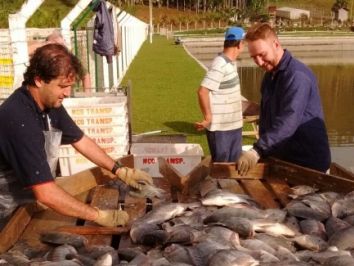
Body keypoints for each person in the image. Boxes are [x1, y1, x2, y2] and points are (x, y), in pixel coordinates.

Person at [0, 43, 153, 228]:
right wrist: (97, 215)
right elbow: (45, 192)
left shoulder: (49, 104)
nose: (67, 93)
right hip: (5, 210)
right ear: (39, 80)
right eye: (63, 86)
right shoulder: (18, 118)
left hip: (26, 205)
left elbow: (80, 140)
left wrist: (120, 170)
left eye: (70, 86)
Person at [237, 22, 331, 175]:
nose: (259, 62)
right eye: (254, 57)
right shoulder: (270, 76)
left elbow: (288, 120)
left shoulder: (297, 76)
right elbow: (268, 114)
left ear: (276, 44)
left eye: (262, 54)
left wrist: (257, 150)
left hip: (309, 165)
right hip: (284, 159)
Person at [195, 27, 245, 162]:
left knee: (233, 170)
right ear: (240, 44)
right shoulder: (220, 64)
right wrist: (208, 117)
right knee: (221, 171)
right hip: (221, 129)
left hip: (234, 126)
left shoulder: (230, 63)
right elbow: (202, 91)